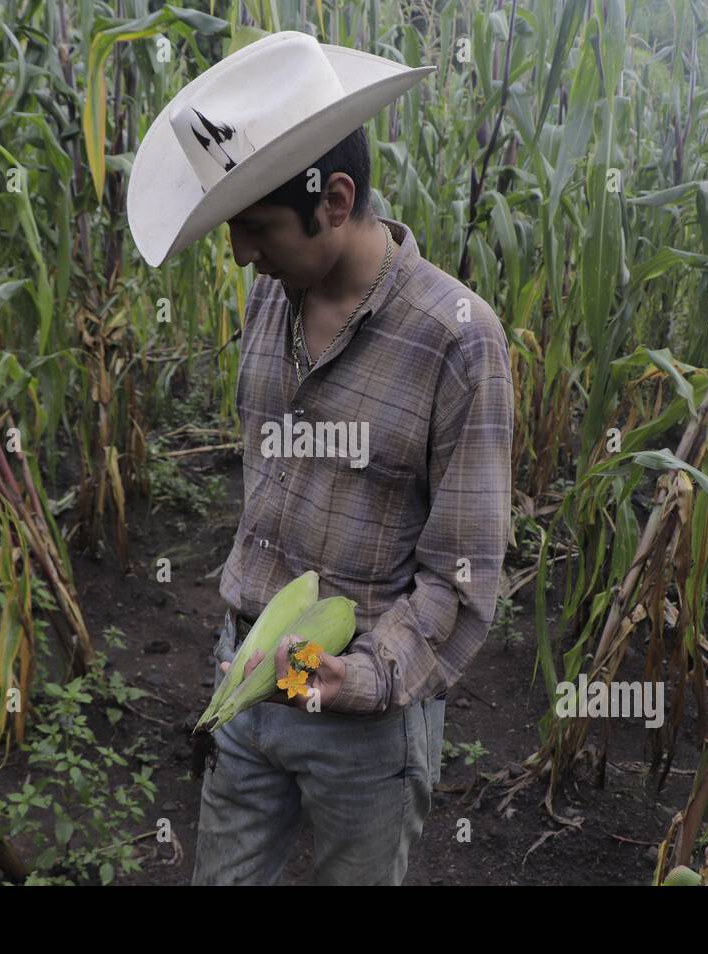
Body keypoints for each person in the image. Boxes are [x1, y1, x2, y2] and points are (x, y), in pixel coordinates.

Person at [127, 30, 513, 885]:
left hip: (364, 726)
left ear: (334, 200)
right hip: (248, 676)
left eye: (256, 227)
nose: (238, 255)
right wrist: (249, 658)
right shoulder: (272, 299)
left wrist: (364, 676)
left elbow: (463, 572)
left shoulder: (456, 342)